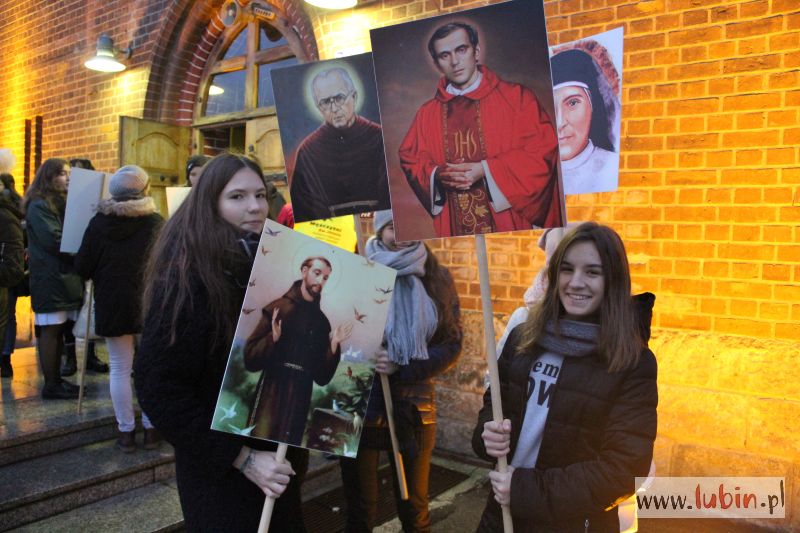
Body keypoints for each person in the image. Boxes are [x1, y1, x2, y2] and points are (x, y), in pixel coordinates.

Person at [134, 154, 307, 532]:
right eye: (238, 196)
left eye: (261, 195)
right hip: (222, 473)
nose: (255, 207)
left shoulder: (278, 265)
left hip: (278, 461)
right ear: (210, 202)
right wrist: (242, 459)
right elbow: (158, 387)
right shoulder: (186, 277)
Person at [472, 222, 658, 532]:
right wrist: (487, 434)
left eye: (592, 272)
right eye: (567, 269)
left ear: (613, 279)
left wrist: (523, 491)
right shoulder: (523, 338)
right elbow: (495, 403)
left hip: (575, 523)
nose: (575, 282)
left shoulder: (632, 363)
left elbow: (623, 469)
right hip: (502, 518)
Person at [339, 210, 462, 533]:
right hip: (360, 405)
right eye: (394, 226)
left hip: (413, 408)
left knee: (415, 508)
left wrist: (402, 363)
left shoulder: (437, 278)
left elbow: (452, 344)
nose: (402, 233)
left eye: (408, 224)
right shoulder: (355, 274)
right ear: (380, 230)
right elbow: (332, 336)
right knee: (360, 508)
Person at [399, 22, 562, 237]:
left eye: (461, 50)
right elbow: (410, 158)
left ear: (476, 52)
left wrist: (486, 169)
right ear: (437, 63)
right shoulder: (427, 113)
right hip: (455, 224)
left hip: (507, 223)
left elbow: (542, 150)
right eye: (444, 55)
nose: (455, 61)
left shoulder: (517, 98)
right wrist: (437, 175)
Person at [75, 165, 163, 452]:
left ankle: (126, 433)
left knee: (119, 368)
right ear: (144, 190)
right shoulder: (155, 223)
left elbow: (83, 267)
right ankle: (151, 430)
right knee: (149, 368)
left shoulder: (99, 222)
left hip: (112, 302)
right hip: (150, 302)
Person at [243, 256, 353, 445]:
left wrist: (333, 344)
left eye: (325, 278)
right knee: (260, 442)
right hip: (273, 390)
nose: (320, 281)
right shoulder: (277, 308)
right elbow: (250, 359)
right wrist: (272, 339)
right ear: (304, 271)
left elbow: (321, 376)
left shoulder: (321, 322)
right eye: (317, 273)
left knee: (290, 448)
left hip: (301, 393)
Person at [289, 67, 391, 222]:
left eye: (339, 98)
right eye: (325, 102)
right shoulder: (308, 151)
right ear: (318, 107)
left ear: (354, 97)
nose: (334, 108)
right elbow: (305, 210)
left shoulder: (381, 138)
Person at [23, 158, 84, 399]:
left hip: (64, 276)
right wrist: (84, 254)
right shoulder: (39, 205)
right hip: (51, 278)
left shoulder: (61, 203)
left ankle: (58, 379)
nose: (67, 177)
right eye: (61, 173)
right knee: (50, 330)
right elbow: (55, 241)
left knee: (60, 330)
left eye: (69, 173)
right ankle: (51, 384)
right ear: (48, 177)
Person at [550, 48, 619, 195]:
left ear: (593, 105)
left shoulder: (613, 167)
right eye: (551, 106)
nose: (560, 122)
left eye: (573, 103)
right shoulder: (534, 177)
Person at [62, 157, 108, 376]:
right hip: (67, 264)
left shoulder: (95, 197)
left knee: (89, 310)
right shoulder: (58, 201)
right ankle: (70, 357)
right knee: (70, 313)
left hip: (90, 258)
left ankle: (90, 356)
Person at [0, 173, 25, 378]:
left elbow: (12, 251)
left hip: (4, 278)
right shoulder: (14, 210)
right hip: (8, 275)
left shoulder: (6, 214)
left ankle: (5, 358)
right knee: (8, 318)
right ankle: (5, 357)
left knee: (6, 317)